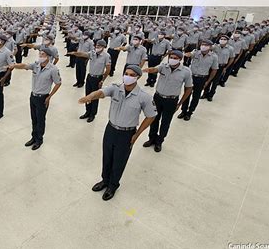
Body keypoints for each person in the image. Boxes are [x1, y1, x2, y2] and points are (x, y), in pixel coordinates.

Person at [78, 65, 157, 201]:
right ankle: (105, 180)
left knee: (119, 161)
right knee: (107, 157)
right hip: (111, 129)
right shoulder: (116, 88)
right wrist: (90, 96)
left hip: (127, 133)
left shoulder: (144, 97)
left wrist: (137, 134)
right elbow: (101, 92)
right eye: (126, 73)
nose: (127, 77)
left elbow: (151, 116)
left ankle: (113, 185)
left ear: (137, 77)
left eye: (132, 75)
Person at [9, 48, 62, 150]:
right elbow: (25, 65)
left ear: (48, 57)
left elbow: (58, 83)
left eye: (43, 55)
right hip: (33, 96)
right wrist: (14, 65)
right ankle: (33, 137)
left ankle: (39, 140)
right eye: (40, 54)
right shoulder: (36, 65)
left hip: (43, 98)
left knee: (40, 119)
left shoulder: (53, 69)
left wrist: (49, 96)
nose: (40, 56)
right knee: (34, 118)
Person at [142, 50, 193, 152]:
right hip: (158, 98)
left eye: (175, 58)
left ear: (180, 59)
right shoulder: (163, 66)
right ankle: (152, 138)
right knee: (154, 119)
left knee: (165, 122)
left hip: (171, 100)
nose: (172, 60)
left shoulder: (186, 72)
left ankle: (159, 141)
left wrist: (180, 103)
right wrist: (146, 70)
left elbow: (189, 89)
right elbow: (155, 69)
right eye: (171, 57)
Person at [69, 40, 111, 122]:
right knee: (87, 95)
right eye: (97, 45)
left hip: (97, 78)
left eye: (99, 46)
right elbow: (83, 54)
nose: (97, 47)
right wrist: (75, 53)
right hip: (89, 77)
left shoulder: (106, 56)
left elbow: (108, 69)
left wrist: (102, 80)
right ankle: (87, 112)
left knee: (94, 97)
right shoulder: (93, 53)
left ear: (103, 47)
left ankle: (92, 114)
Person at [177, 40, 219, 121]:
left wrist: (208, 81)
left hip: (202, 78)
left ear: (210, 47)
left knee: (196, 96)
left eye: (206, 45)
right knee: (186, 94)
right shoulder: (196, 52)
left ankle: (190, 112)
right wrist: (186, 54)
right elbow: (189, 54)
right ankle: (183, 111)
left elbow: (214, 70)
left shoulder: (214, 57)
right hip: (191, 77)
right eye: (202, 44)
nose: (203, 46)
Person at [202, 35, 234, 101]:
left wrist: (226, 67)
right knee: (208, 79)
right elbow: (208, 48)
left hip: (220, 66)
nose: (222, 40)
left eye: (224, 39)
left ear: (227, 41)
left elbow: (231, 58)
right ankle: (205, 93)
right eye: (221, 39)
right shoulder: (215, 46)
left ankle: (211, 95)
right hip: (211, 66)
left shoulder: (230, 49)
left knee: (215, 81)